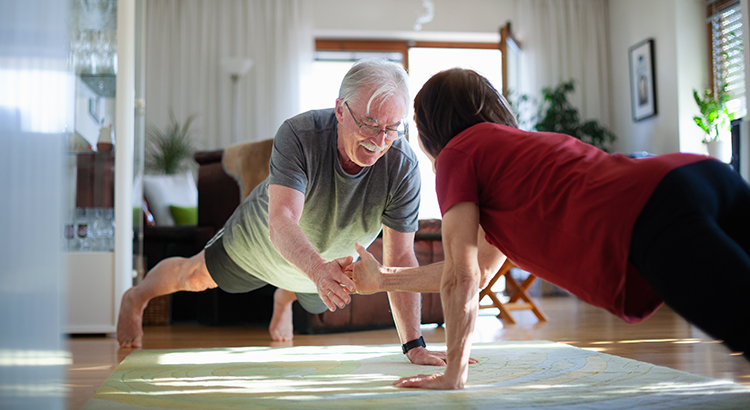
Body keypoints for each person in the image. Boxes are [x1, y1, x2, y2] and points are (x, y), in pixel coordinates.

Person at [347, 67, 750, 390]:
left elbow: (462, 274)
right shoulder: (509, 155)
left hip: (652, 211)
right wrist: (384, 277)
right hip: (699, 175)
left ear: (430, 127)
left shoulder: (459, 153)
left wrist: (454, 373)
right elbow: (480, 271)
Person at [117, 59, 450, 367]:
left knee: (314, 295)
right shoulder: (300, 134)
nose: (380, 140)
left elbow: (401, 257)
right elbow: (281, 221)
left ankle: (284, 298)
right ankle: (136, 297)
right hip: (260, 243)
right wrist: (318, 271)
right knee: (192, 276)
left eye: (393, 128)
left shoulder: (403, 165)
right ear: (340, 110)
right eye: (370, 123)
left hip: (324, 262)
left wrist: (414, 345)